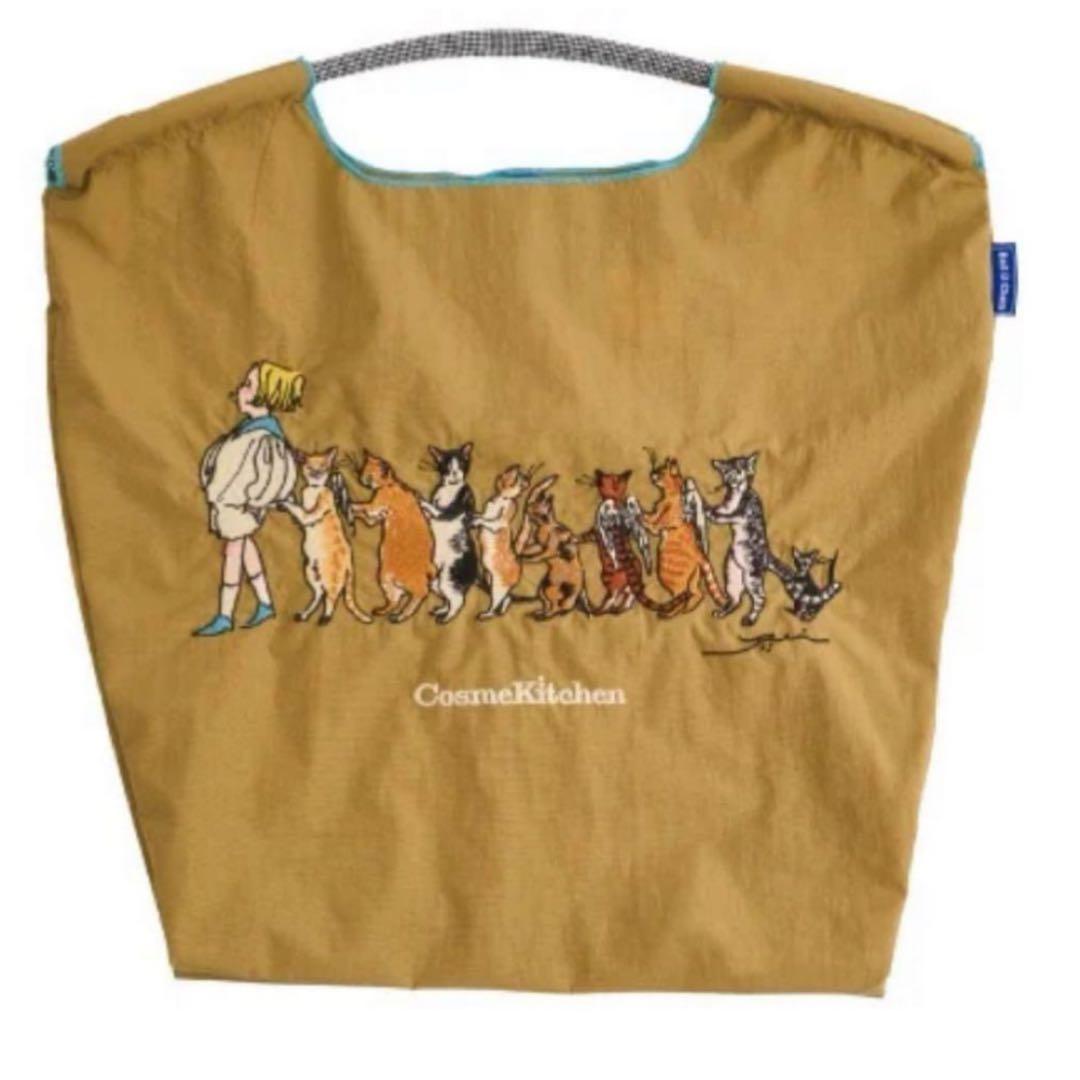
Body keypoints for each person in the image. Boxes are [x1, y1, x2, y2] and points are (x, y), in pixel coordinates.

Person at [193, 361, 305, 636]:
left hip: (241, 505)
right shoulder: (248, 430)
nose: (240, 390)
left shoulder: (264, 436)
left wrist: (253, 500)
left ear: (265, 395)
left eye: (248, 385)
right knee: (245, 548)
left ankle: (225, 615)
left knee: (233, 551)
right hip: (231, 503)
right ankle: (265, 603)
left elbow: (272, 474)